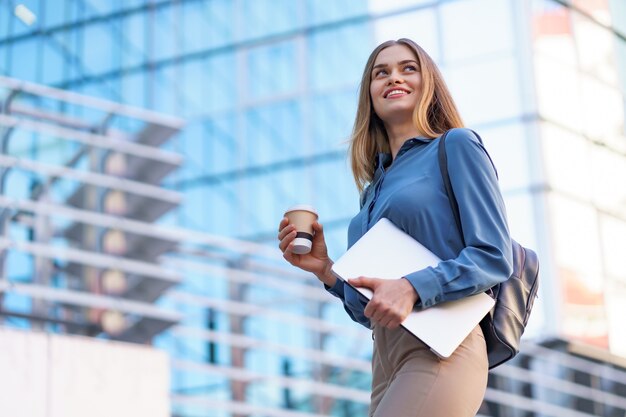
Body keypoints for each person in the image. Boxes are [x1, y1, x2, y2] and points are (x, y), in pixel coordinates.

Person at [277, 38, 513, 417]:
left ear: (428, 83)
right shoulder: (372, 190)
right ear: (369, 95)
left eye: (408, 68)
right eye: (380, 73)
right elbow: (370, 308)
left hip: (442, 349)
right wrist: (327, 271)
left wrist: (411, 287)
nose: (393, 77)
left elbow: (493, 257)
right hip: (385, 362)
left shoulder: (456, 146)